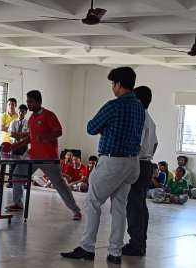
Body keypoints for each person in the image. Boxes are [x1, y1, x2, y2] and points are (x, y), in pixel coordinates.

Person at [62, 66, 144, 265]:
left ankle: (87, 247)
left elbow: (91, 127)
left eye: (112, 84)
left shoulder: (113, 105)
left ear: (118, 84)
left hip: (112, 161)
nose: (112, 88)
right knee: (119, 207)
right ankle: (114, 252)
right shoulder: (140, 107)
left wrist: (106, 128)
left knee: (92, 202)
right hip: (133, 163)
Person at [5, 90, 82, 221]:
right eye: (28, 101)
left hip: (48, 158)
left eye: (31, 101)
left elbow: (59, 131)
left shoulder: (49, 115)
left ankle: (76, 210)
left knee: (59, 184)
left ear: (39, 102)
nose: (28, 104)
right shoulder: (31, 119)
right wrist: (16, 145)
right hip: (32, 156)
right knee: (17, 174)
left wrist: (46, 137)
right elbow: (31, 138)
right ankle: (18, 203)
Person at [123, 85, 158, 257]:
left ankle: (135, 244)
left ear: (138, 100)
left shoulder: (139, 118)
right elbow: (156, 143)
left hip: (137, 162)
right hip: (147, 163)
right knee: (141, 205)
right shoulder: (150, 119)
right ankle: (140, 242)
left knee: (134, 206)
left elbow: (135, 143)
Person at [8, 104, 29, 188]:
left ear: (26, 112)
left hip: (24, 146)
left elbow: (28, 135)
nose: (21, 113)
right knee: (12, 164)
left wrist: (18, 134)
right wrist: (21, 135)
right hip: (14, 146)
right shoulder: (13, 122)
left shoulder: (28, 123)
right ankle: (10, 182)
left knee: (23, 165)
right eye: (20, 111)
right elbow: (11, 134)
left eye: (23, 112)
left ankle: (23, 183)